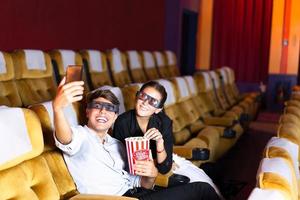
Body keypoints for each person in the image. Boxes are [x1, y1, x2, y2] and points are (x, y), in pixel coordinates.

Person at [52, 78, 220, 200]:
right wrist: (58, 109)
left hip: (139, 193)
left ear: (115, 116)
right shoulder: (80, 136)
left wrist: (151, 174)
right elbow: (66, 139)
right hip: (122, 199)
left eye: (109, 109)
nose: (103, 112)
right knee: (202, 190)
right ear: (87, 112)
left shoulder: (116, 144)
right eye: (97, 107)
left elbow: (139, 182)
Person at [113, 81, 222, 198]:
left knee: (206, 184)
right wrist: (156, 162)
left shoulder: (164, 122)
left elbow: (165, 167)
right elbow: (123, 164)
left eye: (153, 101)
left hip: (164, 162)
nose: (145, 103)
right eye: (143, 96)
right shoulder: (122, 122)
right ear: (137, 96)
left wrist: (160, 143)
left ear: (158, 109)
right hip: (139, 176)